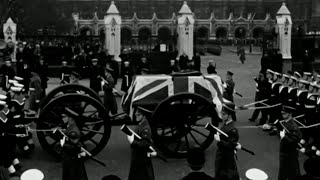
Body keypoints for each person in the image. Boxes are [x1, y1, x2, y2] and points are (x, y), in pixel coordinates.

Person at [214, 102, 241, 179]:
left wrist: (219, 141)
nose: (221, 116)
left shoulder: (233, 129)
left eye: (223, 114)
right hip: (222, 155)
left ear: (229, 115)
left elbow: (231, 145)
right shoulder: (226, 124)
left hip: (225, 158)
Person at [127, 108, 156, 180]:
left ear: (144, 116)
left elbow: (144, 144)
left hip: (142, 160)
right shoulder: (141, 124)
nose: (136, 114)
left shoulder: (146, 128)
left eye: (139, 113)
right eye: (136, 112)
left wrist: (132, 141)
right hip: (138, 158)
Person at [278, 105, 303, 180]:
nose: (283, 115)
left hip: (290, 155)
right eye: (282, 113)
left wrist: (284, 137)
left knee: (292, 175)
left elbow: (294, 141)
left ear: (290, 114)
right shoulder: (285, 123)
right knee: (283, 175)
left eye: (284, 113)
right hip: (284, 153)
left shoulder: (293, 126)